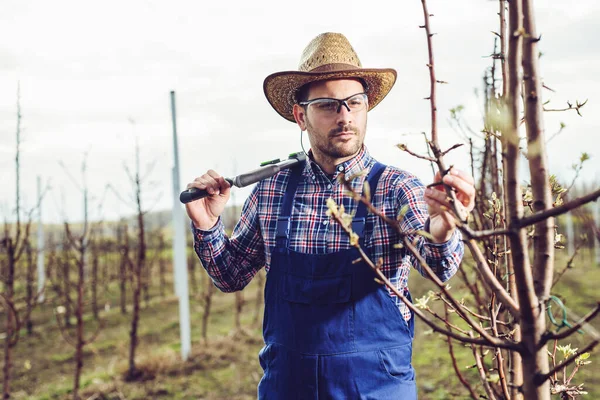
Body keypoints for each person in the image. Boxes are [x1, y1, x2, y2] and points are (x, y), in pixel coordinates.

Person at [186, 32, 475, 400]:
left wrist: (444, 226)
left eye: (354, 103)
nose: (345, 116)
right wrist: (208, 224)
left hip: (377, 388)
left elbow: (439, 265)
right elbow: (230, 275)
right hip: (287, 387)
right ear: (300, 116)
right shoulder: (272, 190)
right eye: (327, 105)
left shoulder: (396, 188)